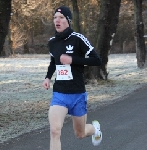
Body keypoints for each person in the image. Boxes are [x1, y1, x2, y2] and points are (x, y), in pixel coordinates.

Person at [42, 6, 102, 150]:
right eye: (55, 17)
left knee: (80, 134)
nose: (57, 20)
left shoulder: (78, 39)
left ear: (68, 21)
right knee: (55, 130)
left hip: (77, 94)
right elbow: (53, 62)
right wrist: (48, 77)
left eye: (61, 18)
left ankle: (95, 130)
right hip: (60, 94)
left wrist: (72, 60)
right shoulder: (52, 42)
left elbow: (97, 60)